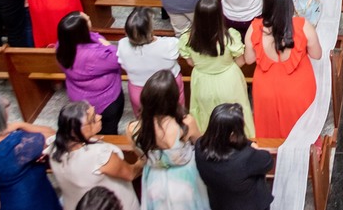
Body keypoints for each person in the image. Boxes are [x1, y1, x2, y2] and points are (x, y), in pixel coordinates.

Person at [248, 0, 322, 138]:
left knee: (270, 131)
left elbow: (249, 59)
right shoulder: (303, 26)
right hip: (298, 88)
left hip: (266, 90)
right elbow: (317, 54)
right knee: (302, 131)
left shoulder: (254, 28)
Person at [0, 92, 58, 210]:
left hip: (0, 198)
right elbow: (52, 135)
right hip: (29, 198)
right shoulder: (17, 144)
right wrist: (20, 124)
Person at [129, 70, 209, 210]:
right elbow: (201, 146)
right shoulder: (186, 123)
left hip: (154, 180)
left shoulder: (133, 128)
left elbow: (141, 155)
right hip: (185, 179)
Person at [179, 0, 252, 134]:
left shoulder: (187, 38)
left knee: (205, 116)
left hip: (202, 82)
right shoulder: (230, 37)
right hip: (229, 82)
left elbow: (190, 62)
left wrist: (206, 66)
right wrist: (225, 66)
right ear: (219, 16)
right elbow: (241, 60)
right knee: (234, 117)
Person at [50, 101, 141, 210]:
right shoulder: (100, 155)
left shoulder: (54, 146)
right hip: (110, 205)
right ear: (76, 130)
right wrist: (144, 158)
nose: (99, 117)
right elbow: (130, 174)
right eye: (92, 119)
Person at [194, 103, 274, 210]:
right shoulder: (246, 157)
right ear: (232, 135)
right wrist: (253, 147)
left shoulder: (200, 146)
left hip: (219, 203)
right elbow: (268, 161)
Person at [55, 12, 124, 134]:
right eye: (86, 20)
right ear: (82, 31)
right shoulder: (95, 56)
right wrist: (108, 45)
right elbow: (118, 59)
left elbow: (93, 36)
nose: (89, 17)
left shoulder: (62, 46)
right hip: (105, 100)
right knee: (108, 130)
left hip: (78, 95)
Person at [117, 7, 182, 117]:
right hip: (168, 88)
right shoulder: (169, 45)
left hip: (139, 91)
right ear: (150, 30)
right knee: (174, 117)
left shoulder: (122, 44)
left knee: (144, 119)